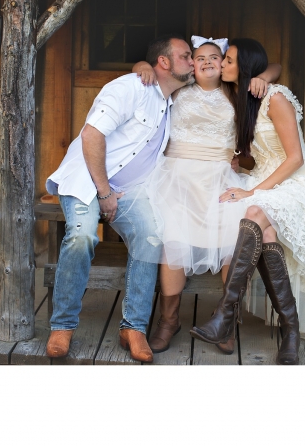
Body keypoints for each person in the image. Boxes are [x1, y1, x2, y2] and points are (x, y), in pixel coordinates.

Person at [189, 38, 305, 365]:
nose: (222, 65)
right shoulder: (241, 97)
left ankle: (223, 316)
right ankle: (290, 329)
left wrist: (252, 192)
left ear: (243, 67)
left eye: (228, 60)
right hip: (266, 179)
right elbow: (257, 155)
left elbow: (295, 158)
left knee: (255, 209)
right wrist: (236, 163)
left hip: (300, 182)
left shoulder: (274, 97)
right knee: (265, 232)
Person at [43, 34, 194, 363]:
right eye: (186, 56)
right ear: (163, 62)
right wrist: (104, 192)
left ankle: (133, 327)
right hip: (88, 180)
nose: (193, 61)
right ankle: (63, 326)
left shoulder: (169, 103)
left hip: (131, 190)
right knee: (82, 236)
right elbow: (91, 134)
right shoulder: (130, 87)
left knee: (152, 234)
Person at [131, 36, 280, 355]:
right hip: (177, 177)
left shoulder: (234, 92)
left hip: (218, 176)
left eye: (216, 56)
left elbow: (275, 67)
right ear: (190, 65)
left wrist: (263, 77)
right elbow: (146, 69)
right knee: (173, 238)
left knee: (234, 235)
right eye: (200, 57)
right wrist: (142, 65)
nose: (209, 61)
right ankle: (169, 320)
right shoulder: (179, 87)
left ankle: (225, 320)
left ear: (226, 63)